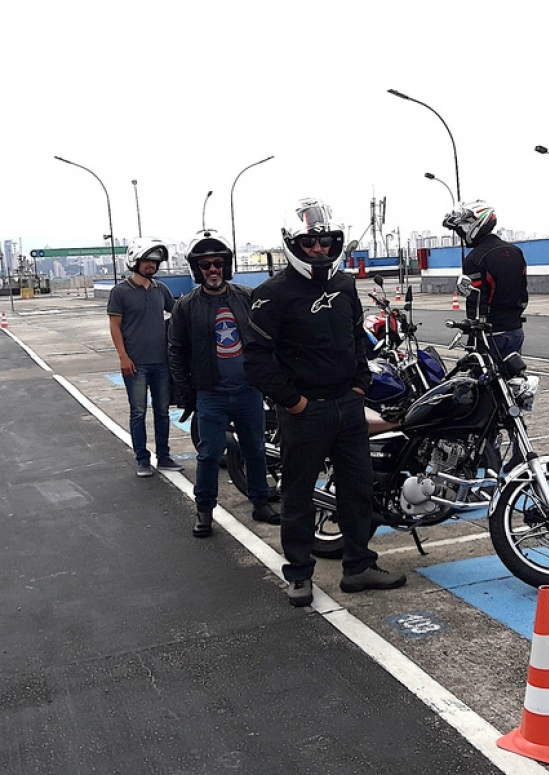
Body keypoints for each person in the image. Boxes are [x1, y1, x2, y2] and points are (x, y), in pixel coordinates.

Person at [244, 197, 406, 607]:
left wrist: (360, 384)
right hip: (304, 412)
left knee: (358, 490)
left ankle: (358, 567)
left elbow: (357, 340)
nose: (319, 249)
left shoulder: (345, 284)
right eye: (310, 242)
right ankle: (299, 575)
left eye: (327, 241)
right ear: (292, 244)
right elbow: (257, 359)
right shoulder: (271, 294)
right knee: (298, 497)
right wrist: (293, 402)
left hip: (348, 406)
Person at [168, 230, 278, 538]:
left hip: (248, 391)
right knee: (209, 454)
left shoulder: (246, 297)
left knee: (256, 449)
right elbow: (175, 351)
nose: (212, 269)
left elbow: (266, 338)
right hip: (211, 394)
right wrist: (188, 391)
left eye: (218, 263)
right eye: (205, 265)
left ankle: (261, 502)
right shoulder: (186, 306)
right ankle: (204, 512)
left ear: (226, 265)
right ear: (197, 269)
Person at [108, 238, 183, 478]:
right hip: (135, 363)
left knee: (162, 411)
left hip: (161, 363)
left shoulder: (161, 290)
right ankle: (142, 459)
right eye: (147, 261)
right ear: (135, 261)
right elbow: (115, 326)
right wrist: (123, 357)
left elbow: (178, 312)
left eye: (155, 262)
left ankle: (164, 456)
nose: (151, 265)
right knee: (138, 412)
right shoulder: (120, 292)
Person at [443, 200, 529, 361]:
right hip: (515, 329)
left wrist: (472, 328)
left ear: (474, 225)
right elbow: (523, 293)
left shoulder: (475, 259)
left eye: (461, 229)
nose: (461, 235)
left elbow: (475, 300)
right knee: (512, 379)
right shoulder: (516, 252)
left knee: (483, 382)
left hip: (489, 334)